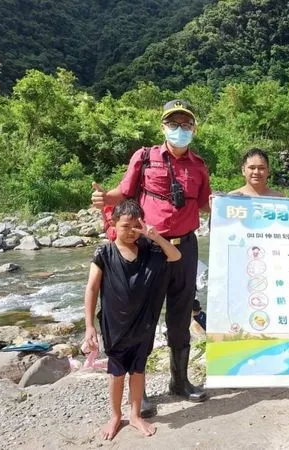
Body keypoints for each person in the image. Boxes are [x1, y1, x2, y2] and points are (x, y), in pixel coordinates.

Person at [91, 99, 211, 407]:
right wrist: (105, 197)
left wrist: (239, 208)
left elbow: (205, 205)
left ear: (194, 128)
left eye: (186, 124)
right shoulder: (144, 157)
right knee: (141, 315)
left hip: (185, 248)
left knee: (181, 314)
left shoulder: (199, 166)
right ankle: (138, 392)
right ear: (163, 127)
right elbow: (125, 192)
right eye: (174, 124)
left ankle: (180, 381)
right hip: (149, 247)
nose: (180, 129)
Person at [83, 199, 181, 440]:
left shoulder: (149, 250)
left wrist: (155, 237)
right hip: (115, 325)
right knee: (116, 372)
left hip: (143, 323)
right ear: (113, 223)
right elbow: (92, 288)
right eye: (125, 226)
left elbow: (176, 255)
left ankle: (135, 414)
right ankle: (116, 415)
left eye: (136, 226)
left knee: (138, 370)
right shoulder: (104, 253)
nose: (130, 232)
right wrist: (88, 326)